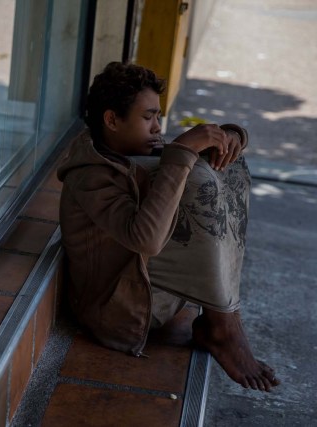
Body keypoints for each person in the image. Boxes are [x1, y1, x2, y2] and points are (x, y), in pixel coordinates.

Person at [57, 61, 280, 392]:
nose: (158, 127)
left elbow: (187, 160)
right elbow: (144, 240)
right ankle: (222, 326)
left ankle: (219, 319)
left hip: (154, 297)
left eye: (158, 116)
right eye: (148, 118)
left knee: (221, 167)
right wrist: (182, 153)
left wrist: (231, 137)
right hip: (117, 312)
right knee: (193, 177)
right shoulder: (89, 177)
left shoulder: (129, 152)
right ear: (112, 120)